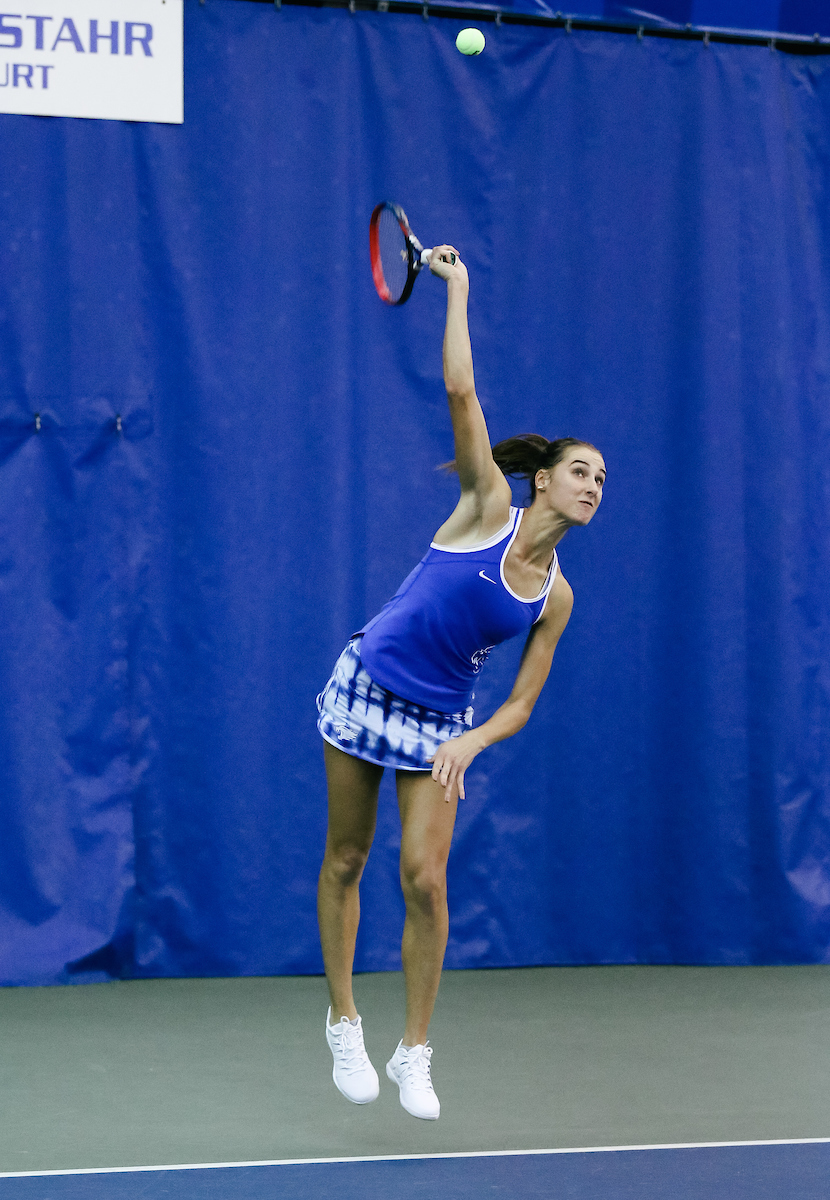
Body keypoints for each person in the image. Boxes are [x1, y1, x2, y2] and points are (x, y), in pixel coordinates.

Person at [316, 245, 606, 1121]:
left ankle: (416, 1050)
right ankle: (341, 1020)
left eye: (603, 481)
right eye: (582, 471)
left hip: (440, 721)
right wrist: (459, 288)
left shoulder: (555, 597)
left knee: (426, 880)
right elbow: (461, 394)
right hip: (364, 683)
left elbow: (519, 702)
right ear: (543, 478)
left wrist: (470, 740)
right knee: (347, 858)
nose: (594, 486)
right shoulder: (485, 505)